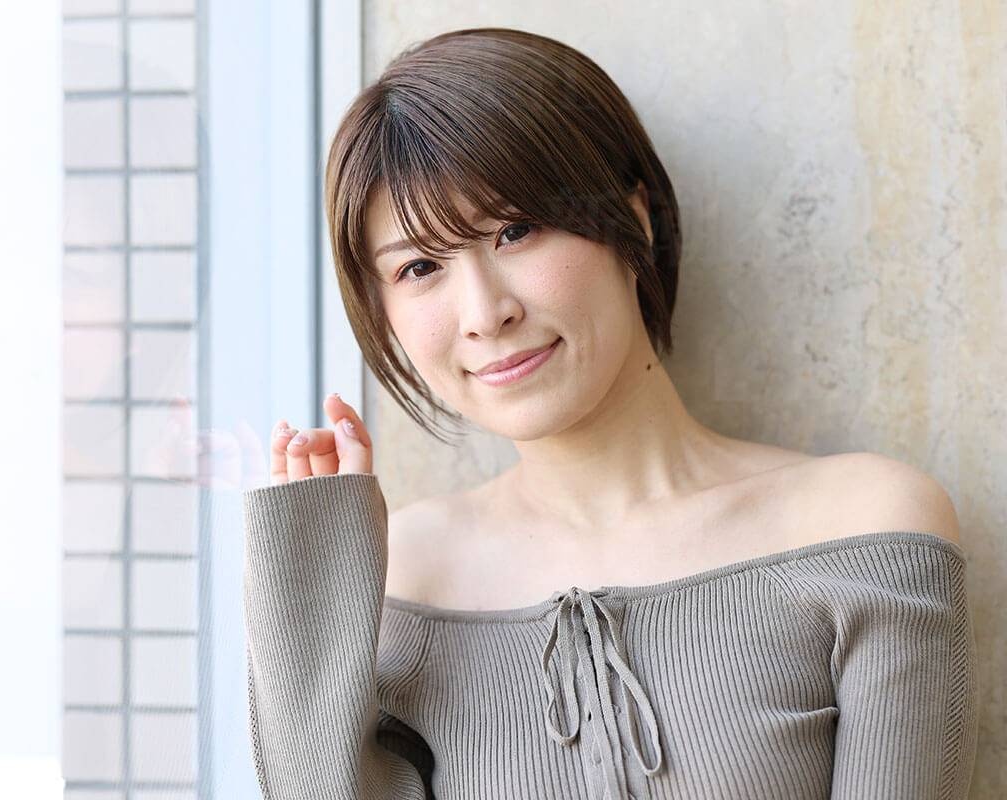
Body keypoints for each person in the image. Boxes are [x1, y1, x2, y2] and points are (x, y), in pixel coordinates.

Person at [241, 26, 978, 800]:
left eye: (516, 230)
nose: (485, 314)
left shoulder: (864, 528)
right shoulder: (404, 578)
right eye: (420, 266)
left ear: (636, 218)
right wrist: (316, 589)